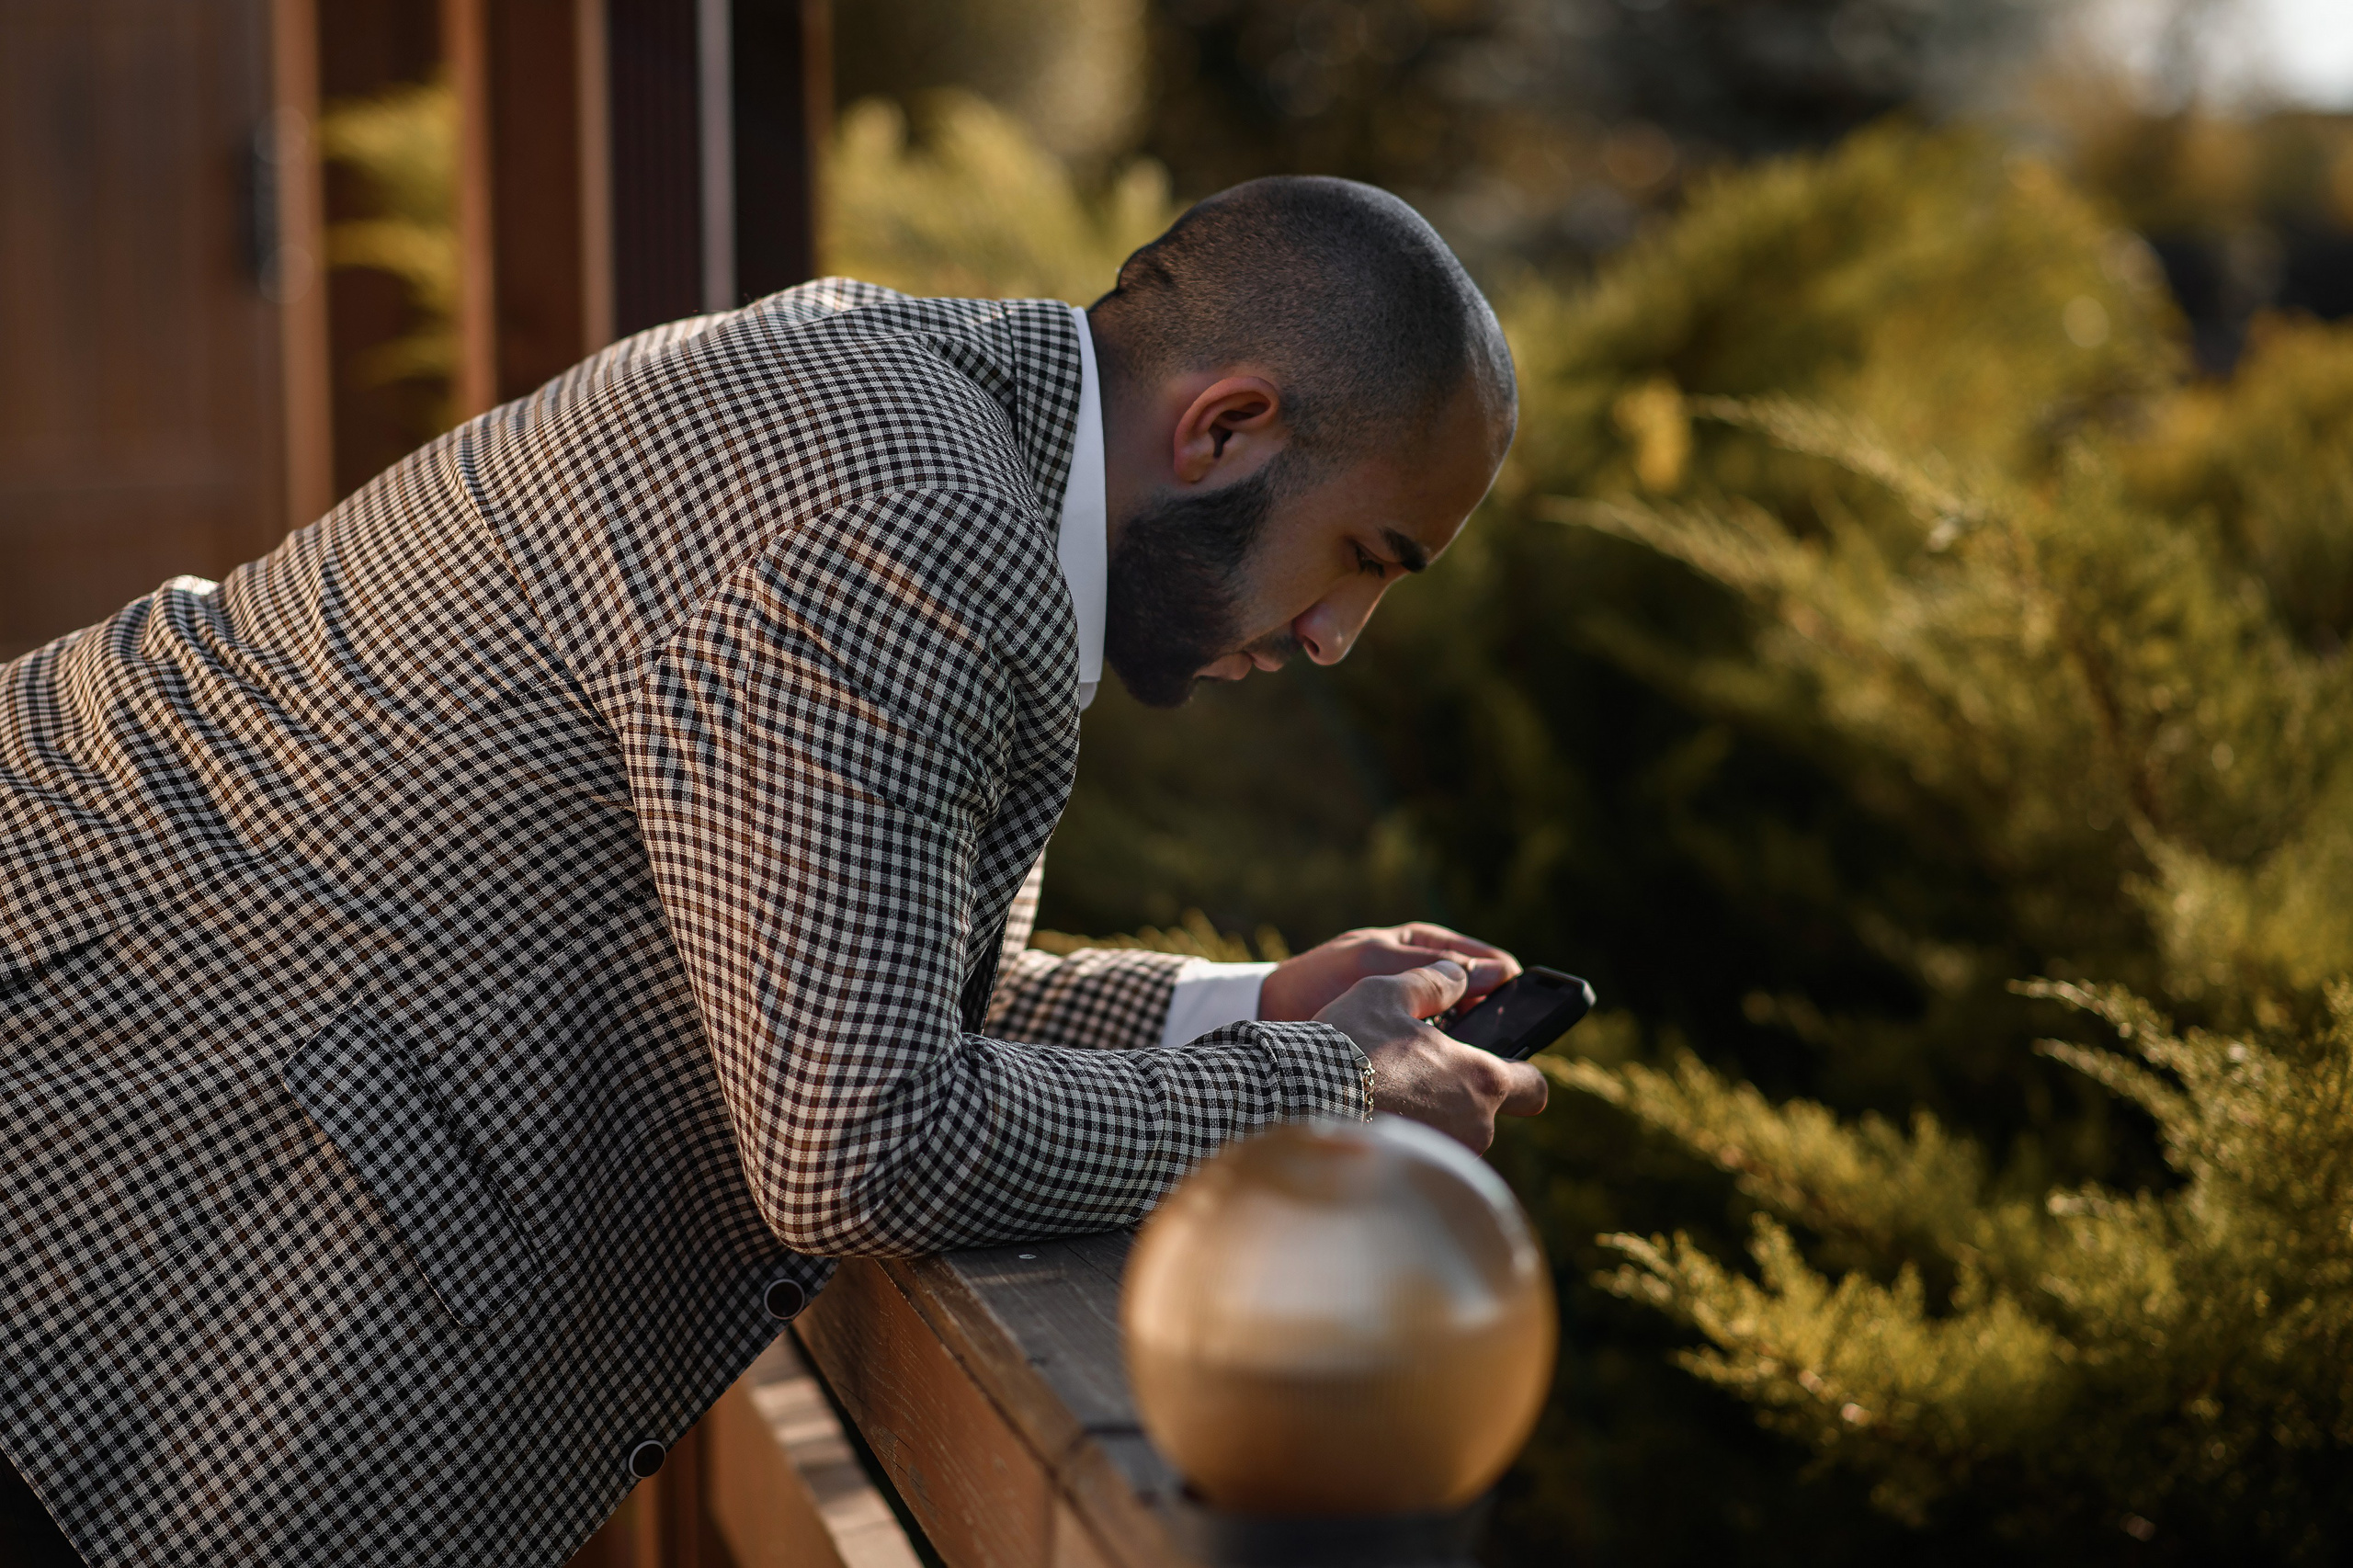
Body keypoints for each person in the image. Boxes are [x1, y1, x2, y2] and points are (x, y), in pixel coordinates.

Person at [0, 176, 1542, 1567]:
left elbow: (864, 985)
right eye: (1367, 558)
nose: (1338, 637)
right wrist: (1319, 1087)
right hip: (113, 1227)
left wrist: (1259, 1008)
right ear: (1225, 426)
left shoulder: (888, 396)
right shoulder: (924, 522)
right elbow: (861, 1141)